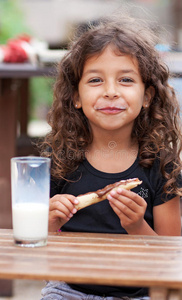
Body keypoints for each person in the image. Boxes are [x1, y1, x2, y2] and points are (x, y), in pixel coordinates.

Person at [40, 13, 182, 300]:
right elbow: (35, 246)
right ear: (76, 97)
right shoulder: (59, 159)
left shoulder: (161, 165)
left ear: (147, 97)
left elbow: (172, 259)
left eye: (126, 79)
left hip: (139, 294)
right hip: (68, 290)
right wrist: (49, 221)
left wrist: (136, 225)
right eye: (95, 80)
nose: (110, 92)